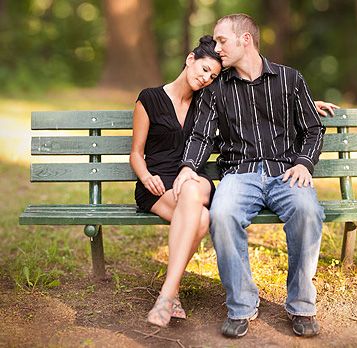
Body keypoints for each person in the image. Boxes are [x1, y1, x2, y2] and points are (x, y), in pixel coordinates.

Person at [174, 14, 335, 338]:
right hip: (239, 173)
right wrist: (188, 167)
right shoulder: (218, 87)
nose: (216, 48)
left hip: (285, 172)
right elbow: (202, 135)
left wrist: (304, 163)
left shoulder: (289, 79)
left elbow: (313, 128)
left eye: (222, 41)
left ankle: (302, 305)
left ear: (245, 40)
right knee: (222, 212)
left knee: (307, 211)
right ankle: (241, 306)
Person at [129, 35, 222, 328]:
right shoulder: (150, 98)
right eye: (204, 69)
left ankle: (166, 295)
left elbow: (254, 105)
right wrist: (146, 177)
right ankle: (174, 292)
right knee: (203, 219)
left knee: (193, 189)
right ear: (190, 59)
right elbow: (136, 153)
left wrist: (300, 107)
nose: (206, 78)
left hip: (194, 177)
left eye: (213, 76)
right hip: (157, 185)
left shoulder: (207, 105)